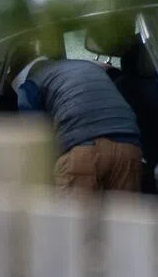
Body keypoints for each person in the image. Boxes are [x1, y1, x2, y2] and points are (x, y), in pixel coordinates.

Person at [9, 41, 143, 193]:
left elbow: (37, 143)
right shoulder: (86, 66)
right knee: (124, 216)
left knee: (76, 217)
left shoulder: (28, 86)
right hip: (129, 147)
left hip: (82, 150)